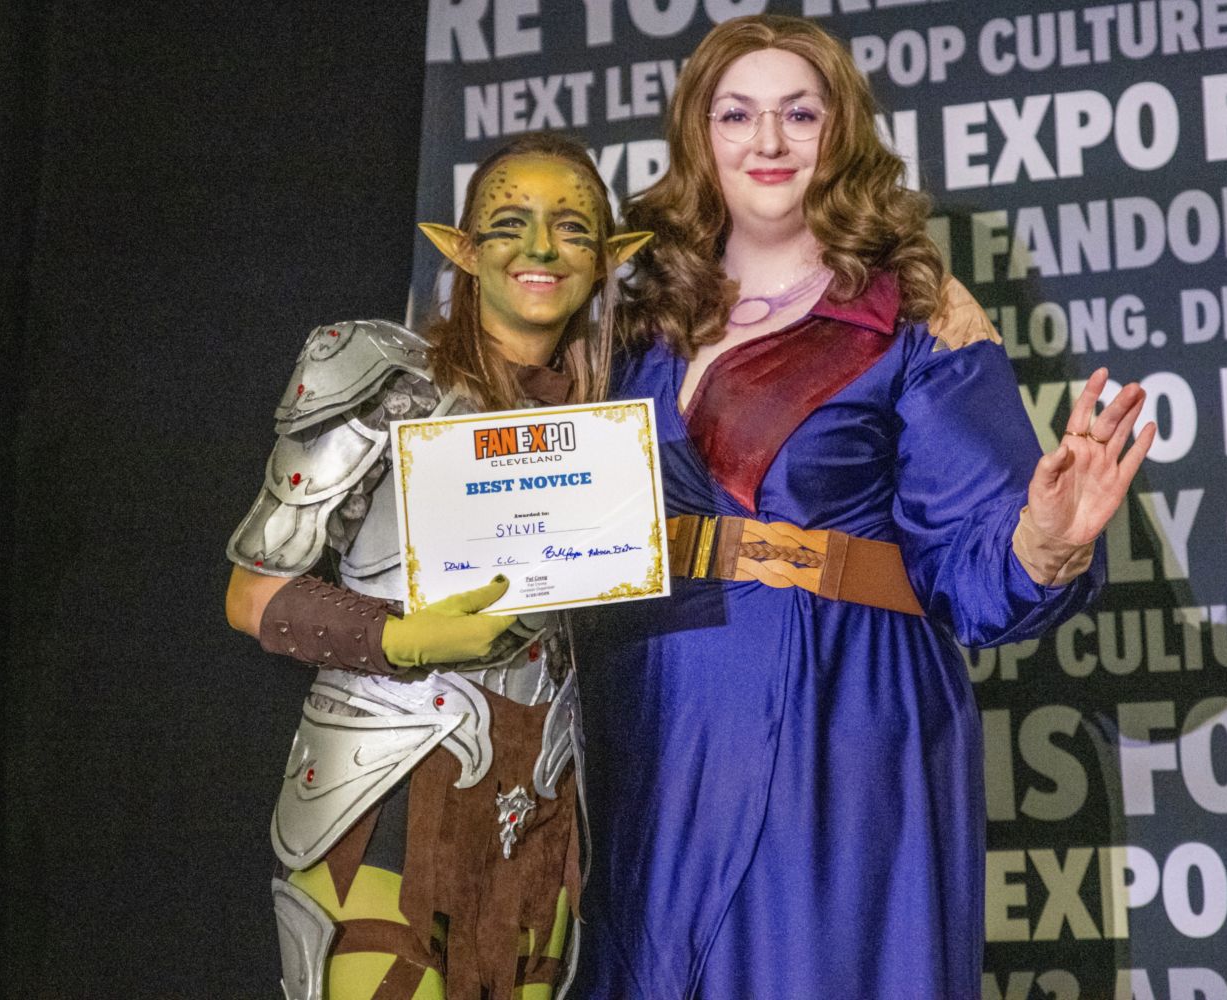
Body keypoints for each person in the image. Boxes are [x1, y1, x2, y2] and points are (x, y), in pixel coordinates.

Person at [572, 15, 1155, 999]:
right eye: (738, 115)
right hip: (653, 724)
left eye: (800, 113)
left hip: (837, 719)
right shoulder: (632, 316)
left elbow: (970, 564)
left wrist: (1043, 538)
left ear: (841, 132)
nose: (768, 141)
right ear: (697, 137)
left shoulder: (911, 312)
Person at [224, 132, 650, 1000]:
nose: (539, 249)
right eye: (509, 224)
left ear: (607, 259)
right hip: (384, 784)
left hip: (536, 810)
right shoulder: (382, 379)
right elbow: (252, 592)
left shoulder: (613, 423)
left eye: (571, 227)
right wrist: (404, 637)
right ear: (462, 250)